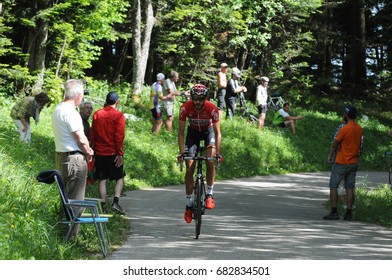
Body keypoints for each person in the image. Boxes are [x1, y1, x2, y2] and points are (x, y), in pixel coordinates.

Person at [52, 79, 94, 238]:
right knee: (76, 200)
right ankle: (71, 239)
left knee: (66, 198)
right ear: (77, 95)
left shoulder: (58, 109)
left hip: (61, 157)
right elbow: (80, 138)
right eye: (82, 95)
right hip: (75, 159)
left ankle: (62, 234)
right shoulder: (71, 112)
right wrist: (89, 152)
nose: (82, 98)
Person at [178, 84, 223, 223]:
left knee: (210, 160)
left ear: (205, 98)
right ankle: (189, 204)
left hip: (208, 132)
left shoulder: (212, 108)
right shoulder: (185, 107)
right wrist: (181, 153)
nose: (197, 102)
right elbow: (180, 133)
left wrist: (218, 153)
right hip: (192, 134)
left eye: (200, 99)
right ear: (191, 97)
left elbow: (217, 132)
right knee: (189, 168)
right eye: (195, 98)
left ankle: (209, 194)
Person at [324, 105, 363, 221]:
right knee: (350, 187)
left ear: (346, 115)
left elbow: (335, 143)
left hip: (341, 162)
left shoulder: (344, 128)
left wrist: (330, 155)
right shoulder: (359, 128)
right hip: (354, 162)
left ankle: (334, 212)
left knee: (333, 186)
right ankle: (349, 213)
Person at [90, 91, 126, 214]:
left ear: (106, 100)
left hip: (99, 152)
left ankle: (103, 205)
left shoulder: (97, 114)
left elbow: (93, 133)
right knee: (120, 178)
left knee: (102, 179)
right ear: (117, 102)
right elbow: (119, 136)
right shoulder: (119, 116)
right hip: (113, 153)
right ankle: (115, 202)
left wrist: (92, 149)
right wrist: (120, 153)